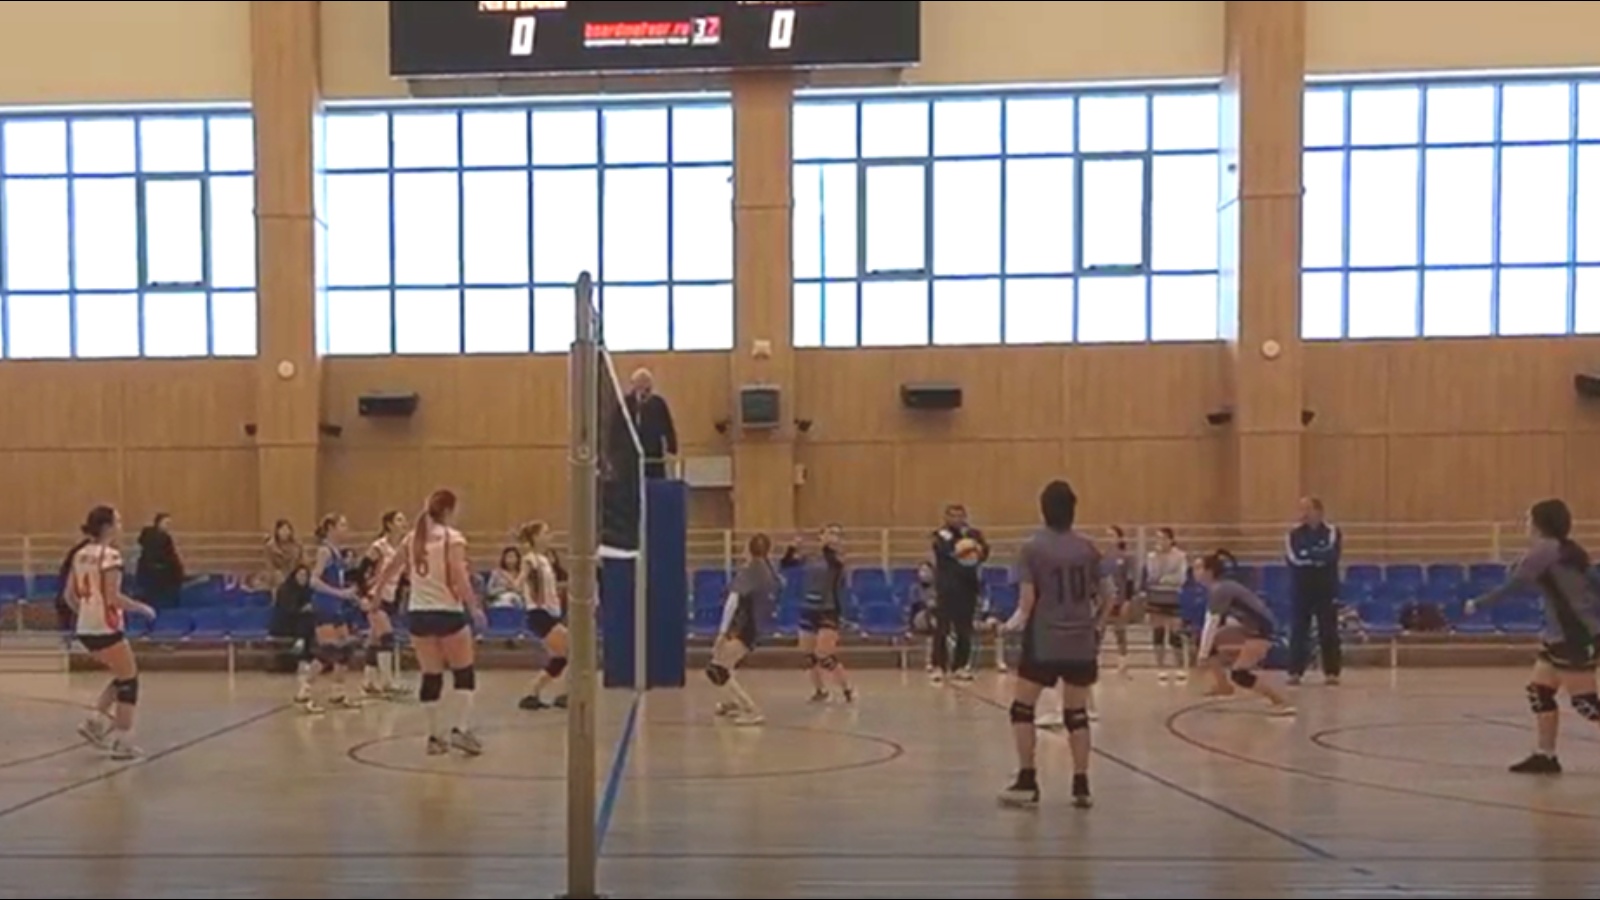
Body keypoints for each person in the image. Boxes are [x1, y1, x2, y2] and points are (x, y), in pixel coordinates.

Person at [1465, 499, 1600, 774]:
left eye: (1529, 519)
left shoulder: (1546, 550)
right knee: (1540, 691)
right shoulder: (1566, 549)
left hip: (1574, 635)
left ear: (1540, 523)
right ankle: (1545, 755)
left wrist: (1477, 604)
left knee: (1585, 703)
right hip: (1560, 634)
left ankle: (1546, 755)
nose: (1526, 524)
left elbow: (1515, 584)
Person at [998, 480, 1103, 809]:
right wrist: (1096, 624)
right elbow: (1109, 593)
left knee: (1022, 708)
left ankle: (1027, 780)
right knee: (1077, 714)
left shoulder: (1033, 548)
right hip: (1081, 640)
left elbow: (1027, 601)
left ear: (1043, 509)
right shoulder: (1088, 548)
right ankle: (1081, 785)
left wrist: (1010, 625)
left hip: (1044, 639)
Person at [373, 489, 487, 755]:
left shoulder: (412, 538)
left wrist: (376, 595)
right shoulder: (452, 538)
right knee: (464, 672)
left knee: (431, 675)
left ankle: (434, 737)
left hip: (419, 613)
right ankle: (460, 729)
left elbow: (390, 569)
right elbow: (459, 574)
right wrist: (474, 607)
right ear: (448, 510)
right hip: (447, 610)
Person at [67, 505, 156, 759]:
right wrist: (142, 608)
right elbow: (113, 597)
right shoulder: (111, 556)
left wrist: (87, 614)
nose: (120, 527)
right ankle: (122, 742)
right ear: (107, 527)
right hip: (106, 626)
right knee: (129, 680)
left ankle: (94, 722)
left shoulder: (80, 554)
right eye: (117, 522)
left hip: (86, 627)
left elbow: (70, 596)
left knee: (121, 674)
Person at [1194, 552, 1295, 715]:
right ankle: (1223, 686)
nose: (1194, 572)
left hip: (1263, 630)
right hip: (1249, 627)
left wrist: (1202, 656)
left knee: (1239, 674)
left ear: (1209, 571)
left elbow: (1211, 623)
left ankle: (1281, 701)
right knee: (1204, 640)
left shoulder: (1220, 590)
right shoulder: (1221, 587)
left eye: (1198, 568)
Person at [708, 534, 782, 725]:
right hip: (756, 625)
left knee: (718, 668)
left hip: (745, 627)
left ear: (748, 549)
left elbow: (732, 603)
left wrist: (722, 633)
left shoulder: (749, 572)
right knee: (727, 664)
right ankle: (732, 702)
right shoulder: (768, 571)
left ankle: (751, 710)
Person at [781, 525, 855, 703]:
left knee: (824, 654)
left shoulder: (838, 559)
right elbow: (786, 564)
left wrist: (828, 546)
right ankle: (820, 690)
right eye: (828, 533)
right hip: (808, 607)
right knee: (809, 655)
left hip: (828, 610)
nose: (831, 537)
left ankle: (847, 689)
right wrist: (792, 548)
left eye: (835, 534)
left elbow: (835, 564)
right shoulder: (811, 557)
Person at [305, 514, 361, 712]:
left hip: (337, 605)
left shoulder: (338, 553)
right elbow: (314, 580)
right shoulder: (325, 551)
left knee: (345, 649)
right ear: (331, 528)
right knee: (327, 652)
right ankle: (305, 692)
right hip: (325, 605)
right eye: (342, 525)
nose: (346, 529)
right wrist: (339, 593)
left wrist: (351, 596)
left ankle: (338, 692)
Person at [1286, 496, 1342, 686]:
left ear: (1318, 511)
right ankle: (1295, 671)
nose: (1303, 513)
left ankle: (1332, 672)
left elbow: (1331, 555)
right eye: (1301, 509)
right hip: (1301, 586)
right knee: (1299, 629)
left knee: (1328, 629)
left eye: (1307, 509)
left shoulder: (1332, 531)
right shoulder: (1293, 534)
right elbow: (1295, 558)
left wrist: (1309, 553)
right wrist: (1316, 555)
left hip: (1325, 586)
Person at [932, 504, 989, 683]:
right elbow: (948, 552)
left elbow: (984, 552)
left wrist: (977, 549)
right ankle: (938, 666)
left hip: (968, 587)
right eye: (953, 516)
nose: (957, 519)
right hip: (947, 587)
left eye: (960, 516)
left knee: (964, 629)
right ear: (946, 518)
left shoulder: (974, 534)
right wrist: (964, 549)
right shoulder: (941, 535)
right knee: (942, 628)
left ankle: (960, 666)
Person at [516, 521, 569, 711]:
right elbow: (522, 580)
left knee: (560, 658)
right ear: (535, 537)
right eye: (545, 533)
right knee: (572, 650)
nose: (549, 536)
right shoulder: (530, 560)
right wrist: (520, 584)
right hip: (540, 613)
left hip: (552, 612)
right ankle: (565, 693)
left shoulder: (546, 559)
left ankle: (532, 693)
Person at [1142, 527, 1190, 682]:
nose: (1160, 542)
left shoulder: (1180, 556)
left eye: (1163, 538)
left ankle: (1180, 666)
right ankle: (1160, 667)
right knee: (1158, 632)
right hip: (1156, 596)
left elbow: (1181, 578)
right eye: (1157, 538)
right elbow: (1151, 576)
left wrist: (1164, 579)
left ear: (1171, 540)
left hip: (1173, 597)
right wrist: (1159, 561)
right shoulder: (1151, 557)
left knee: (1175, 633)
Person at [624, 368, 679, 479]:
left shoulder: (658, 403)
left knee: (655, 481)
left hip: (654, 455)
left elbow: (668, 427)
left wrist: (672, 448)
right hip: (631, 455)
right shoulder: (626, 404)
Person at [1101, 525, 1136, 678]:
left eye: (1112, 535)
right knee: (1100, 630)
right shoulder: (1103, 557)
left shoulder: (1126, 557)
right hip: (1105, 600)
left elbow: (1130, 580)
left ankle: (1123, 662)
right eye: (1107, 536)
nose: (1109, 539)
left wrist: (1127, 600)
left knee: (1120, 631)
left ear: (1119, 538)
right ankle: (1096, 660)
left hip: (1120, 599)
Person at [135, 512, 184, 609]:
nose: (168, 526)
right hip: (155, 572)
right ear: (158, 522)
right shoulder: (162, 537)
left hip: (148, 570)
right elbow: (169, 555)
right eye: (166, 523)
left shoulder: (148, 534)